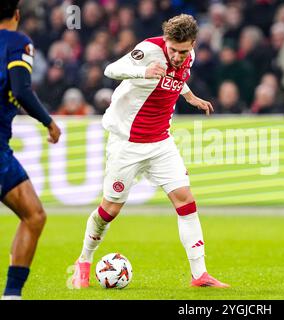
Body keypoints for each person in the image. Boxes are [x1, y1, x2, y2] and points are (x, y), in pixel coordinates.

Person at [70, 14, 229, 288]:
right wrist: (143, 71)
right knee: (110, 209)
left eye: (184, 51)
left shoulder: (188, 56)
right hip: (127, 143)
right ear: (166, 41)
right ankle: (83, 260)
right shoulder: (148, 50)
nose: (178, 57)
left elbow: (178, 77)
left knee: (185, 201)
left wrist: (189, 96)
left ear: (192, 45)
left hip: (161, 143)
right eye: (174, 51)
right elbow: (111, 69)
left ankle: (199, 274)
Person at [0, 0, 61, 300]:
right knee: (34, 217)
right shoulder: (18, 42)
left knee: (34, 215)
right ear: (17, 14)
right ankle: (12, 295)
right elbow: (21, 89)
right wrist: (49, 122)